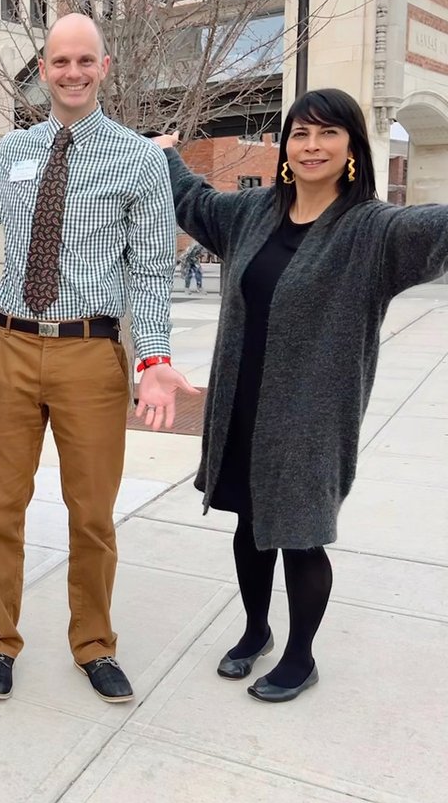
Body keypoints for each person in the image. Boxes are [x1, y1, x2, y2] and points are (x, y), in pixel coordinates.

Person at [152, 88, 448, 702]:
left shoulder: (374, 230)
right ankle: (256, 630)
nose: (312, 146)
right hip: (242, 403)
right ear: (286, 145)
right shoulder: (252, 212)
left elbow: (440, 228)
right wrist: (166, 155)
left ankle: (300, 655)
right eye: (300, 133)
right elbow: (193, 201)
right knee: (248, 523)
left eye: (328, 133)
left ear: (352, 147)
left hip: (310, 416)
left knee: (301, 536)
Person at [0, 14, 196, 704]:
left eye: (85, 61)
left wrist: (154, 358)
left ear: (104, 67)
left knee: (92, 515)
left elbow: (149, 270)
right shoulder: (15, 148)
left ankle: (94, 644)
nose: (72, 72)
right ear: (44, 70)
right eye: (60, 61)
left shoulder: (139, 160)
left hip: (90, 354)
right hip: (11, 347)